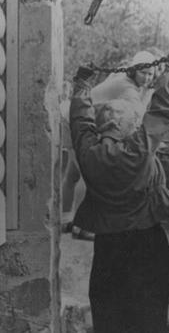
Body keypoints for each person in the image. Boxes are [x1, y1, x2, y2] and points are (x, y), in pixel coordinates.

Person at [69, 44, 169, 333]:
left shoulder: (88, 150)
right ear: (127, 127)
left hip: (108, 243)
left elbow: (80, 120)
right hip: (146, 241)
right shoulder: (138, 149)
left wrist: (82, 84)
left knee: (108, 310)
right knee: (149, 309)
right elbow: (161, 112)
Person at [60, 50, 159, 240]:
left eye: (150, 74)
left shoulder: (123, 80)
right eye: (143, 73)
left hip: (72, 115)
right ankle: (81, 226)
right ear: (133, 71)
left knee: (73, 172)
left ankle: (66, 219)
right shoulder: (127, 87)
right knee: (85, 173)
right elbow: (138, 117)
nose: (147, 78)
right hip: (73, 119)